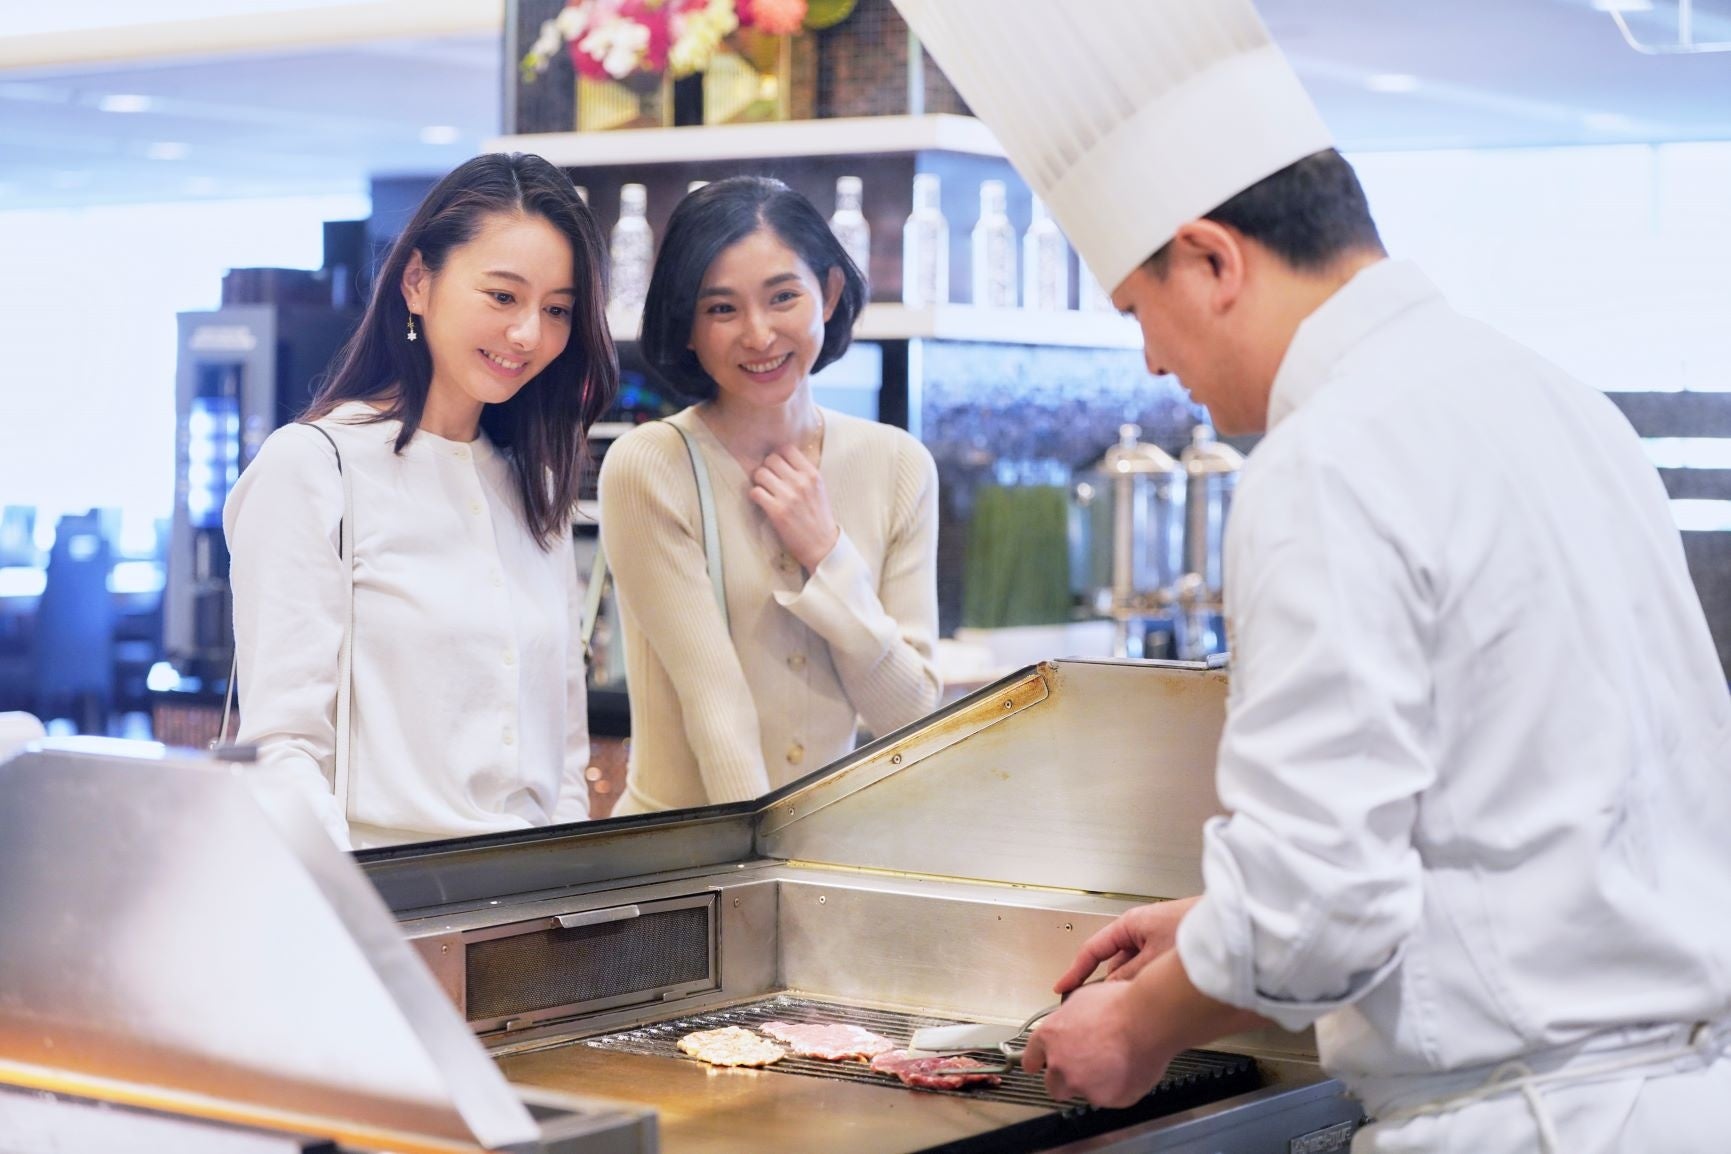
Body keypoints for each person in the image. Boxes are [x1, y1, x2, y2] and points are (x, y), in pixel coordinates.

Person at [893, 1, 1731, 1150]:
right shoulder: (1547, 397)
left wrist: (1141, 1020)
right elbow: (1534, 809)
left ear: (1211, 258)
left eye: (1143, 310)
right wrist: (1212, 926)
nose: (1151, 358)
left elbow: (1318, 913)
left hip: (1528, 1118)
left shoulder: (1328, 457)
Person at [225, 152, 616, 849]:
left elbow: (561, 739)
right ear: (416, 282)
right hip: (381, 908)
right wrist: (361, 912)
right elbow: (282, 748)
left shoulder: (534, 485)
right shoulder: (314, 467)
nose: (528, 333)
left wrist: (563, 902)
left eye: (556, 310)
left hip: (525, 913)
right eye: (502, 296)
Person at [599, 176, 940, 813]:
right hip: (688, 871)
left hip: (824, 862)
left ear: (830, 293)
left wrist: (828, 555)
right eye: (722, 308)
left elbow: (914, 716)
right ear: (689, 326)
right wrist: (768, 887)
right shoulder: (650, 466)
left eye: (783, 297)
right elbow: (715, 709)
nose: (758, 335)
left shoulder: (898, 464)